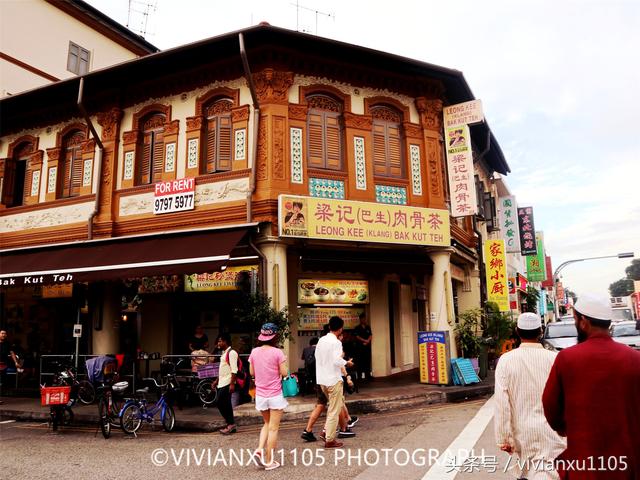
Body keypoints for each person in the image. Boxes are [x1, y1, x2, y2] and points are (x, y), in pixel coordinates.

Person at [542, 293, 640, 480]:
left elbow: (550, 404)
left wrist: (564, 428)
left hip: (585, 460)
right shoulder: (635, 358)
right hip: (628, 461)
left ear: (583, 321)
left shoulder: (567, 358)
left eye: (576, 319)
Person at [494, 312, 566, 480]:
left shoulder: (506, 361)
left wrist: (504, 438)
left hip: (523, 433)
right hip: (553, 433)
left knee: (531, 472)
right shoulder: (554, 358)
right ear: (540, 332)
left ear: (517, 332)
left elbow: (502, 402)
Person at [248, 323, 288, 471]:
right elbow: (284, 373)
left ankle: (259, 449)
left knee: (266, 423)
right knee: (273, 429)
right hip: (275, 395)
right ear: (275, 336)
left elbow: (252, 373)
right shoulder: (278, 352)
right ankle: (270, 461)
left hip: (260, 395)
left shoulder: (254, 352)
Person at [315, 315, 353, 448]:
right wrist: (346, 362)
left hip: (322, 379)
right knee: (334, 410)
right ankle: (330, 439)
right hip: (333, 379)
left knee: (332, 407)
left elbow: (317, 357)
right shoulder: (336, 342)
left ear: (330, 326)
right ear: (340, 328)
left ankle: (327, 433)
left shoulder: (321, 340)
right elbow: (337, 360)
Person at [213, 333, 238, 435]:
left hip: (228, 382)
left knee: (220, 402)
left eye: (220, 341)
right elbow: (223, 369)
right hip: (222, 382)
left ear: (225, 341)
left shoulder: (232, 353)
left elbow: (234, 370)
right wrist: (216, 381)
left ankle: (230, 424)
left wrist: (232, 384)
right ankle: (231, 425)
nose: (218, 343)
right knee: (226, 404)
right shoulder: (224, 353)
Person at [353, 313, 372, 380]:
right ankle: (360, 377)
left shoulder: (368, 327)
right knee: (360, 362)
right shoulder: (357, 328)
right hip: (360, 348)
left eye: (365, 319)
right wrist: (364, 341)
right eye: (363, 319)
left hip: (367, 347)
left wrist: (368, 341)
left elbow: (370, 335)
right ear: (360, 319)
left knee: (367, 361)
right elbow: (357, 336)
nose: (364, 320)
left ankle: (368, 376)